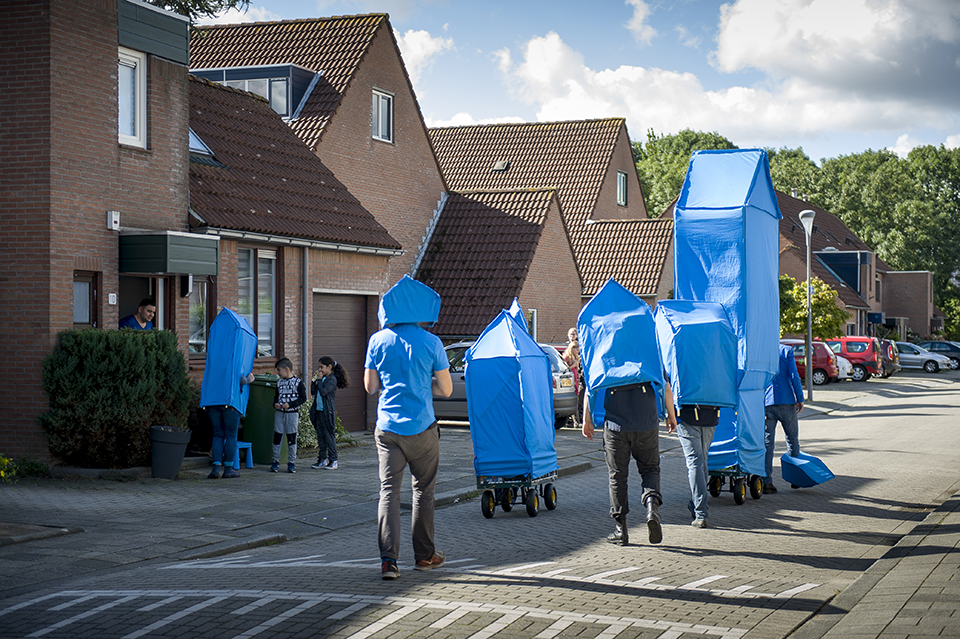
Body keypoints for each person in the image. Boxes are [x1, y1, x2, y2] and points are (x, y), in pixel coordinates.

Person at [364, 276, 452, 581]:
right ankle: (425, 556)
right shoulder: (432, 342)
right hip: (422, 428)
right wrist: (423, 384)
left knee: (388, 491)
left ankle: (389, 561)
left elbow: (370, 386)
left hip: (388, 429)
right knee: (423, 492)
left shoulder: (377, 340)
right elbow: (447, 389)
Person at [763, 343, 805, 494]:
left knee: (768, 444)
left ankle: (766, 481)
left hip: (767, 402)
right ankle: (795, 479)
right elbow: (793, 375)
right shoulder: (786, 350)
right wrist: (800, 398)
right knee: (792, 439)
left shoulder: (761, 349)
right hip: (787, 401)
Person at [206, 373, 255, 479]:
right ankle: (228, 469)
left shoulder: (214, 358)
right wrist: (249, 379)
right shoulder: (235, 357)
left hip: (213, 401)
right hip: (230, 402)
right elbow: (241, 379)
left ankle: (216, 468)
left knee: (217, 435)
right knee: (231, 435)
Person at [310, 356, 350, 470]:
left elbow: (323, 392)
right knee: (321, 436)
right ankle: (322, 459)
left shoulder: (332, 379)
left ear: (329, 367)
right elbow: (313, 391)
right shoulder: (321, 379)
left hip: (328, 412)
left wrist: (319, 380)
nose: (320, 370)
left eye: (321, 367)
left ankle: (333, 460)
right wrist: (314, 380)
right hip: (318, 411)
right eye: (319, 367)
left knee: (329, 436)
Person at [270, 357, 306, 474]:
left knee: (291, 438)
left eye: (279, 370)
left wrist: (290, 404)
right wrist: (275, 403)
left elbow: (303, 398)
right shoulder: (279, 383)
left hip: (292, 414)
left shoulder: (298, 383)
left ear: (286, 369)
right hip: (280, 413)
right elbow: (276, 396)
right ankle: (275, 461)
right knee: (277, 437)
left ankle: (291, 462)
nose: (278, 373)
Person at [562, 327, 583, 426]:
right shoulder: (567, 355)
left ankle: (577, 421)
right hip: (569, 381)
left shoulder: (577, 356)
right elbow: (564, 369)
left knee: (577, 401)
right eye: (571, 334)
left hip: (575, 380)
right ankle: (574, 421)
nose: (578, 350)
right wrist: (573, 366)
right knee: (574, 401)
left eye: (574, 334)